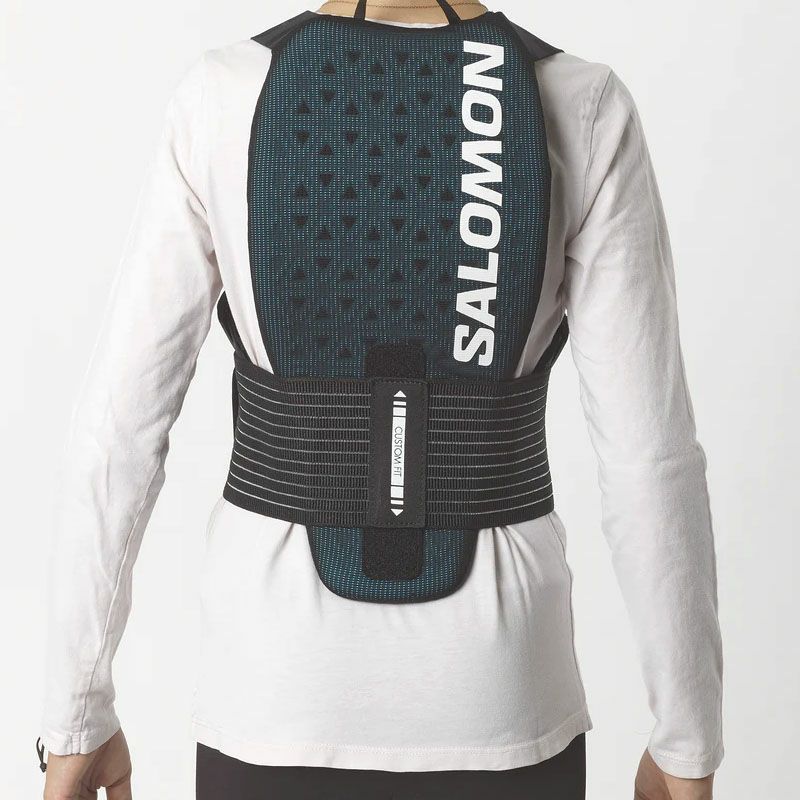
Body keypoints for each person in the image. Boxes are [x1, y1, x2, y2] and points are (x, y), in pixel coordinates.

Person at [40, 1, 723, 798]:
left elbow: (118, 432)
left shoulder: (223, 96)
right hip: (500, 694)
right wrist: (688, 737)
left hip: (274, 690)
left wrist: (76, 712)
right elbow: (650, 458)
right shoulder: (581, 103)